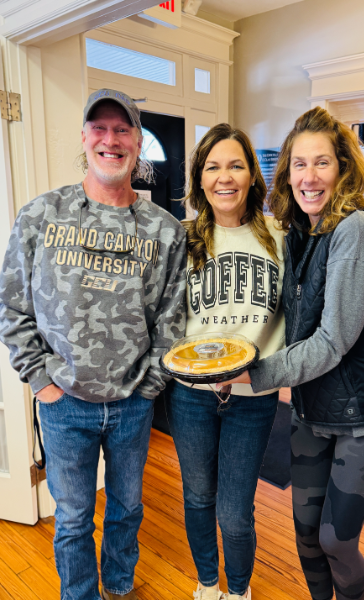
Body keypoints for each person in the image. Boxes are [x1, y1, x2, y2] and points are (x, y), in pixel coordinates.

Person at [0, 89, 186, 600]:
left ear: (137, 142)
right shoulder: (41, 216)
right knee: (75, 518)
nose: (110, 140)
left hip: (132, 405)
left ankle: (120, 589)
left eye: (122, 130)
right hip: (64, 404)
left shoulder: (165, 231)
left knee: (127, 509)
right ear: (84, 139)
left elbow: (172, 318)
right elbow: (11, 306)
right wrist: (41, 382)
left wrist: (149, 386)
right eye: (99, 129)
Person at [223, 107, 364, 600]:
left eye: (322, 163)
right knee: (306, 536)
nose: (309, 176)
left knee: (334, 540)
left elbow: (332, 341)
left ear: (344, 168)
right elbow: (289, 317)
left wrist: (249, 374)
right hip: (311, 412)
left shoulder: (358, 230)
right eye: (299, 164)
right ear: (286, 172)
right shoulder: (303, 234)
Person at [165, 123, 286, 600]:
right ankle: (207, 583)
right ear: (199, 180)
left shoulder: (281, 236)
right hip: (190, 397)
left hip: (254, 394)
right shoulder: (182, 238)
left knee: (236, 512)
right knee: (197, 497)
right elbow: (159, 311)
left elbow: (311, 300)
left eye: (236, 165)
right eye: (213, 167)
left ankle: (238, 591)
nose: (225, 177)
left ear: (253, 176)